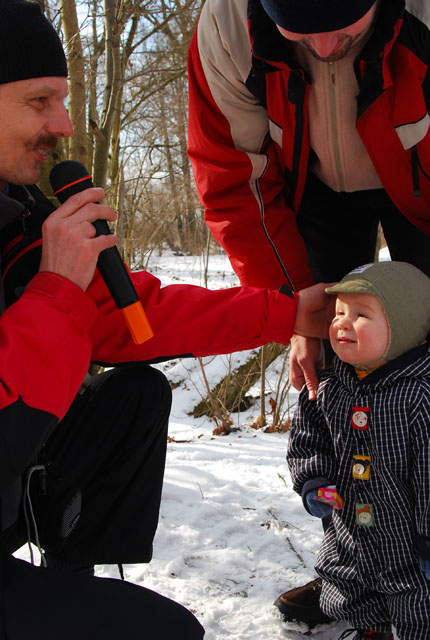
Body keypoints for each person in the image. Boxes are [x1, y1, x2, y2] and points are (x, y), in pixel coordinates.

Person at [0, 2, 335, 639]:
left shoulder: (17, 217)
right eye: (40, 100)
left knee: (133, 394)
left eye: (64, 100)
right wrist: (54, 290)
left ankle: (68, 581)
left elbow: (137, 319)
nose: (64, 125)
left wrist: (289, 311)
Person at [187, 0, 430, 626]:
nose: (324, 50)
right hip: (309, 192)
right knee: (333, 361)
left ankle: (420, 570)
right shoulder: (225, 31)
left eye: (344, 30)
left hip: (425, 173)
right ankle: (357, 570)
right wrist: (294, 310)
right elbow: (233, 180)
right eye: (302, 33)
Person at [287, 261, 430, 640]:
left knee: (417, 598)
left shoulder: (419, 394)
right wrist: (314, 479)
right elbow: (308, 439)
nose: (341, 324)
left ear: (404, 325)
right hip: (350, 525)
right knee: (348, 583)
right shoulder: (328, 385)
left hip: (408, 536)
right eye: (338, 313)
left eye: (361, 314)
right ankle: (371, 629)